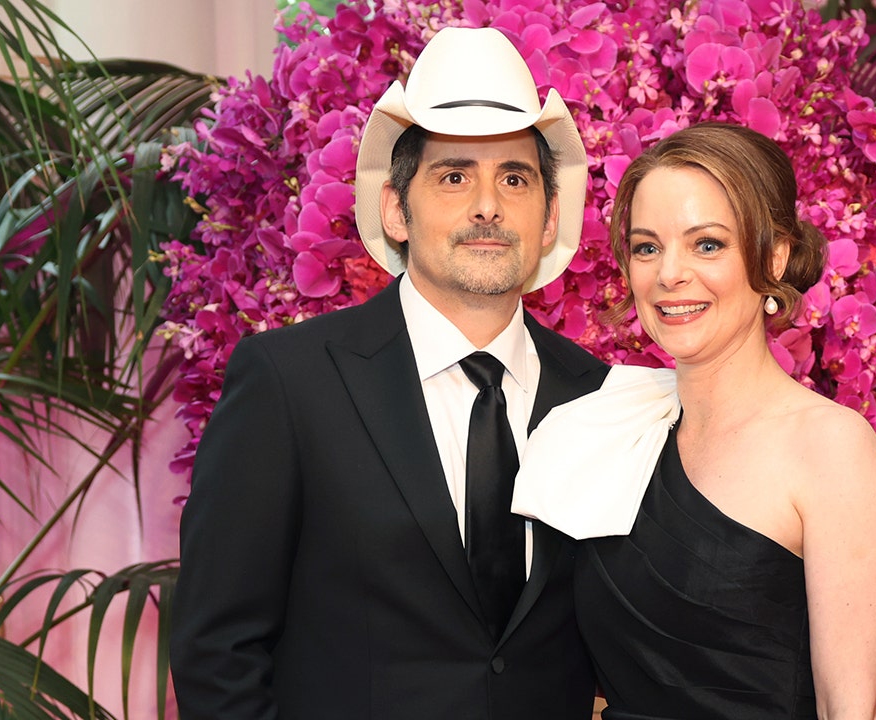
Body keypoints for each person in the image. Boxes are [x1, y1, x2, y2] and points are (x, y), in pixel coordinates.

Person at [170, 27, 608, 719]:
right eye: (454, 176)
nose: (488, 205)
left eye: (515, 179)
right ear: (396, 211)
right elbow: (216, 654)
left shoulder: (596, 396)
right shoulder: (289, 383)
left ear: (550, 217)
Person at [514, 122, 876, 719]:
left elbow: (854, 710)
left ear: (773, 256)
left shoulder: (830, 447)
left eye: (707, 245)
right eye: (647, 247)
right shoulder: (611, 431)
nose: (669, 274)